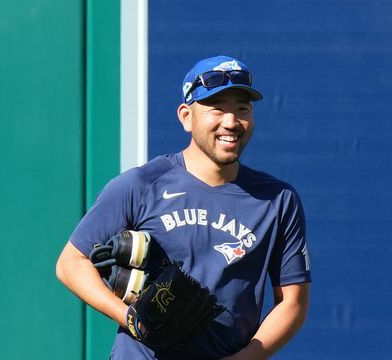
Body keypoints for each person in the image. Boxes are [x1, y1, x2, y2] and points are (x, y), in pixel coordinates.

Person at [56, 55, 311, 359]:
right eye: (217, 108)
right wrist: (129, 318)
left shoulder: (278, 199)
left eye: (242, 109)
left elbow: (292, 302)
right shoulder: (141, 184)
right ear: (186, 116)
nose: (231, 122)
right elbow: (71, 264)